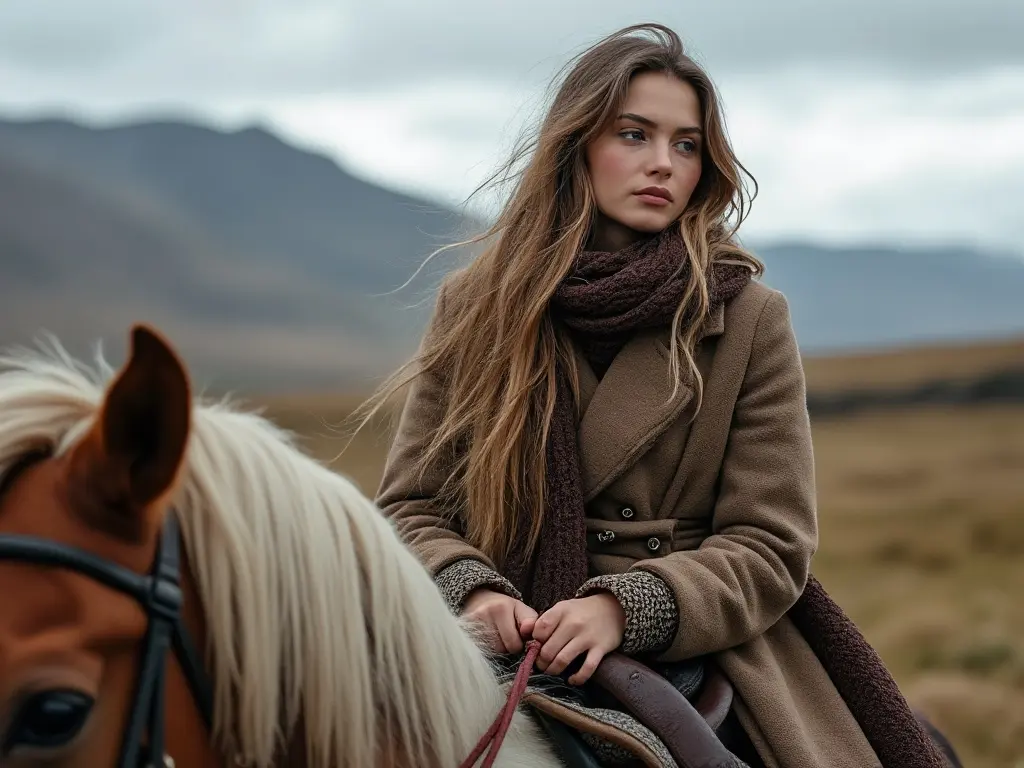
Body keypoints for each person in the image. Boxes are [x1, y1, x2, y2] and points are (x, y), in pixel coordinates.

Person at [367, 23, 944, 768]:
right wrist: (471, 592)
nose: (662, 164)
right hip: (502, 636)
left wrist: (627, 607)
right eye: (634, 135)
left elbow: (772, 544)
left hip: (697, 644)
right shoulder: (478, 308)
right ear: (577, 146)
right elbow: (411, 506)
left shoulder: (747, 318)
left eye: (686, 144)